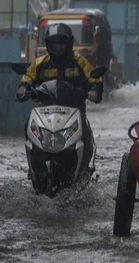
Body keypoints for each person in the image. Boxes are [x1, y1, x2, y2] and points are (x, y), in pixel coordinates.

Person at [16, 23, 103, 175]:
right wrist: (23, 88)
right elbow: (28, 77)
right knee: (27, 126)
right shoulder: (40, 63)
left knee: (85, 131)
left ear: (69, 44)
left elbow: (94, 79)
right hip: (46, 112)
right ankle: (33, 169)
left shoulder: (80, 61)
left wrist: (94, 90)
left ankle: (83, 168)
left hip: (74, 110)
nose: (58, 47)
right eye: (55, 44)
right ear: (49, 45)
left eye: (62, 43)